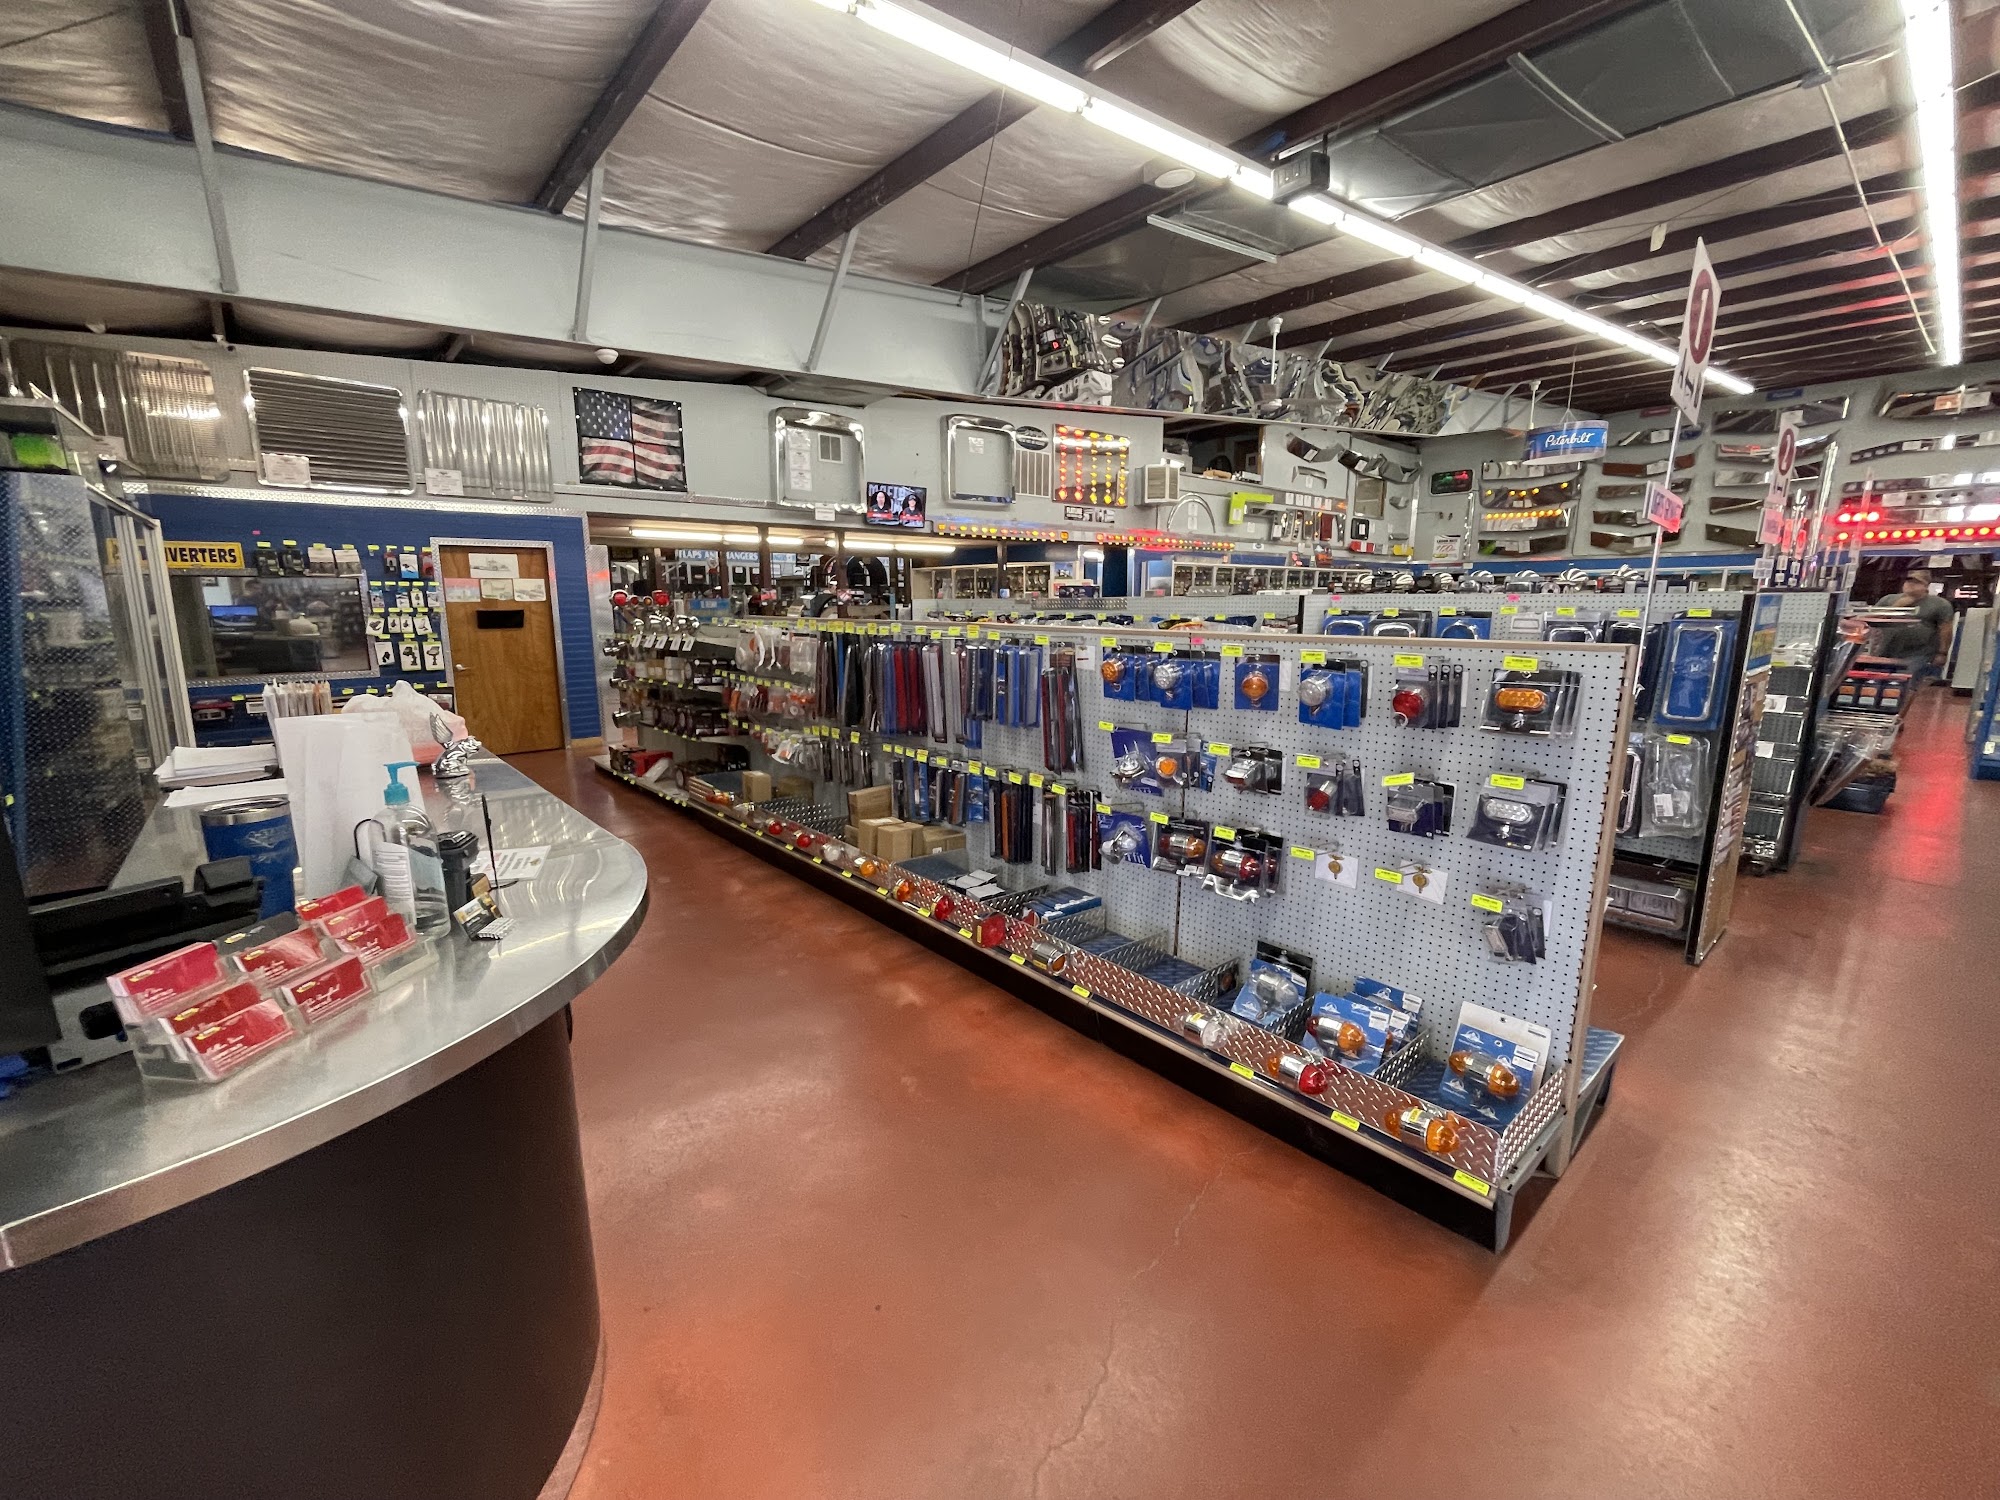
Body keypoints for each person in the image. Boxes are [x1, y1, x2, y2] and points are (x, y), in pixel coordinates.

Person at [1874, 568, 1955, 683]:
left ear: (1926, 586)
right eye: (1908, 580)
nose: (1910, 584)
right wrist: (1896, 606)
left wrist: (1942, 653)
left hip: (1919, 654)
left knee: (1904, 684)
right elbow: (1872, 619)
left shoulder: (1940, 604)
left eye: (1917, 582)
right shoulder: (1888, 599)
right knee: (1876, 685)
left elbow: (1946, 630)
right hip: (1886, 652)